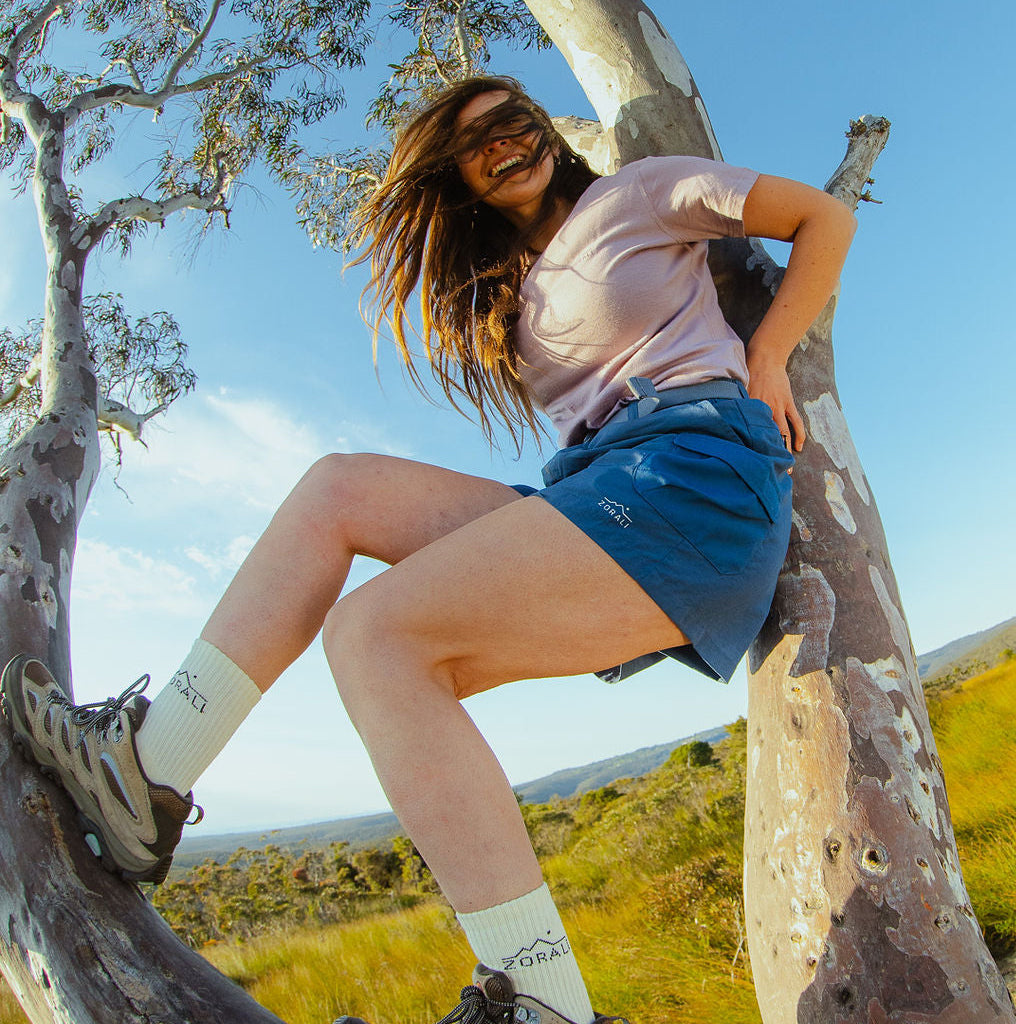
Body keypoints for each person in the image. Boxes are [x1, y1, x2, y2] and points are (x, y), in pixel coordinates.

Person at [1, 75, 856, 1024]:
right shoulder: (515, 300)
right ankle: (146, 778)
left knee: (371, 636)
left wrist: (766, 355)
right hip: (601, 491)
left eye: (514, 120)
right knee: (338, 491)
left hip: (692, 471)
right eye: (476, 142)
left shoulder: (640, 191)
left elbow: (822, 218)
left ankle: (543, 1003)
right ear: (460, 182)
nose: (506, 141)